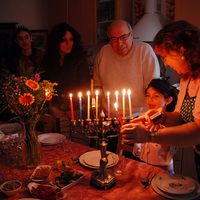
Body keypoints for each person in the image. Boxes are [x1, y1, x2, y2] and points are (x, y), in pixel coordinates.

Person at [120, 20, 200, 180]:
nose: (166, 63)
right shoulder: (187, 77)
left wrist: (149, 136)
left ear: (181, 50)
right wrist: (159, 116)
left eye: (165, 56)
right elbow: (180, 117)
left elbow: (198, 131)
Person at [93, 19, 160, 119]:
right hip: (109, 117)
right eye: (114, 39)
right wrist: (96, 108)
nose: (119, 43)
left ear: (131, 34)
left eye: (123, 37)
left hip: (139, 116)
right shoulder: (104, 53)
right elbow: (97, 86)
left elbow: (154, 89)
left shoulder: (144, 51)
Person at [44, 22, 90, 142]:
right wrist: (53, 108)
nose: (68, 44)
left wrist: (76, 109)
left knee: (79, 143)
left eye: (71, 39)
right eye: (64, 40)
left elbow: (84, 87)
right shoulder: (49, 61)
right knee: (60, 143)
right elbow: (46, 86)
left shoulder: (79, 60)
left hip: (76, 110)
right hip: (56, 111)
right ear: (56, 42)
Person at [133, 78, 178, 173]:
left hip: (163, 171)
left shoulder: (172, 122)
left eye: (156, 96)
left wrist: (156, 133)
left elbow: (168, 151)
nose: (150, 100)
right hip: (143, 167)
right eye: (148, 96)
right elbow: (138, 151)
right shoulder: (143, 118)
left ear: (168, 100)